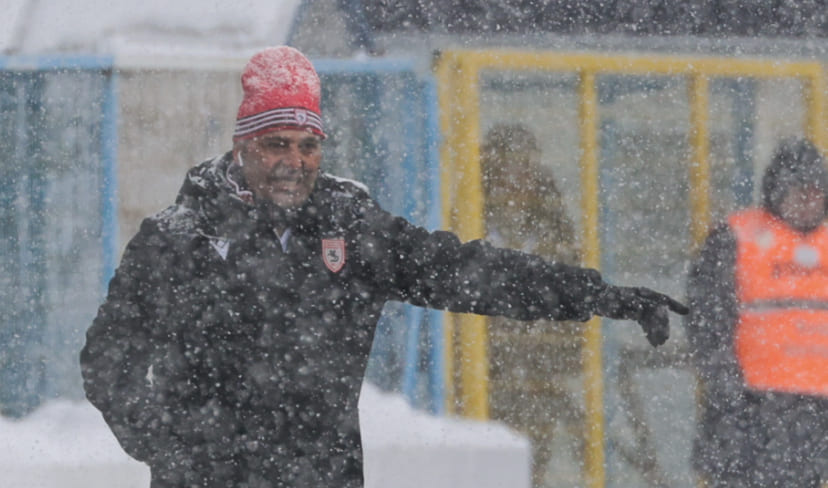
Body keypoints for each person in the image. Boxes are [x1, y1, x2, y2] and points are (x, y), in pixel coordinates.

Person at [80, 45, 687, 488]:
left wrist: (599, 295)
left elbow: (468, 271)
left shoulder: (349, 228)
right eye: (276, 144)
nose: (294, 161)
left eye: (308, 144)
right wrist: (171, 450)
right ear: (243, 146)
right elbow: (109, 359)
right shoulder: (178, 239)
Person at [686, 138, 828, 488]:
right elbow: (707, 315)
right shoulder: (737, 237)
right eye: (799, 190)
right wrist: (725, 381)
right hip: (751, 408)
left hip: (816, 411)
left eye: (817, 191)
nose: (809, 200)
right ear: (777, 190)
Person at [481, 123, 584, 487]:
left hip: (540, 380)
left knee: (531, 470)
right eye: (507, 169)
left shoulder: (554, 229)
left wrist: (557, 364)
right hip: (486, 379)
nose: (517, 180)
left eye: (525, 168)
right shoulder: (468, 222)